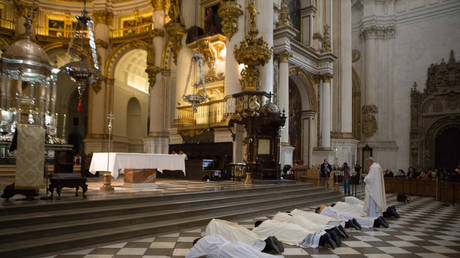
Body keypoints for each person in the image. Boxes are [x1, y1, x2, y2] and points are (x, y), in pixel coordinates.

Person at [186, 235, 280, 258]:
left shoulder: (200, 243)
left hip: (228, 251)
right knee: (257, 254)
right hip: (235, 244)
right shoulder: (211, 237)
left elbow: (188, 256)